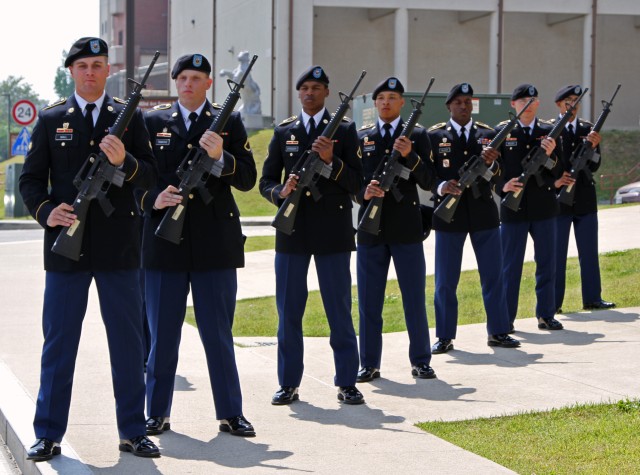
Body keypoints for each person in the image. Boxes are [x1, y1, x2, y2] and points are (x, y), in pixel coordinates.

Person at [19, 37, 159, 461]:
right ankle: (47, 433)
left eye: (99, 65)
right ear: (72, 72)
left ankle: (134, 431)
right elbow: (30, 181)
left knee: (128, 344)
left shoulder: (129, 119)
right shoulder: (51, 120)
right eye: (84, 66)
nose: (92, 72)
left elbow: (151, 178)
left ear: (107, 71)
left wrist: (125, 164)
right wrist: (47, 212)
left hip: (119, 250)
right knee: (59, 343)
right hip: (66, 251)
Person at [139, 54, 257, 437]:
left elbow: (248, 180)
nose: (188, 83)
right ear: (175, 83)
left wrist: (219, 155)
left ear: (209, 84)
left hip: (214, 244)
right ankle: (156, 412)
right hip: (163, 243)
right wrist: (154, 199)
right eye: (183, 77)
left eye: (197, 78)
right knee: (162, 337)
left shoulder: (229, 123)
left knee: (218, 335)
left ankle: (230, 412)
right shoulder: (152, 122)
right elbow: (138, 176)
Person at [259, 66, 365, 405]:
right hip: (292, 231)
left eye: (316, 87)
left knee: (338, 308)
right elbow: (265, 182)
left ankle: (347, 380)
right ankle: (288, 382)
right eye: (304, 87)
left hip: (332, 230)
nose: (309, 93)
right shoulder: (283, 131)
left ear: (327, 92)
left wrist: (331, 161)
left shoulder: (345, 132)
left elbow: (359, 186)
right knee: (289, 310)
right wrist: (280, 191)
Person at [354, 77, 437, 382]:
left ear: (402, 102)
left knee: (414, 298)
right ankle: (369, 363)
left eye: (392, 97)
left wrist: (410, 156)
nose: (386, 102)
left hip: (406, 228)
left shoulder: (417, 135)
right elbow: (352, 181)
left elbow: (429, 181)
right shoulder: (362, 136)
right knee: (369, 301)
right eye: (381, 98)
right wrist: (364, 192)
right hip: (370, 229)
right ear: (375, 104)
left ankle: (421, 360)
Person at [428, 83, 520, 353]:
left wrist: (491, 163)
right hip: (449, 215)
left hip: (483, 213)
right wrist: (442, 187)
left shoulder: (488, 135)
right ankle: (445, 335)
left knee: (493, 276)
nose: (464, 106)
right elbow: (426, 174)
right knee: (446, 280)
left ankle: (499, 331)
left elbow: (500, 177)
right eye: (458, 102)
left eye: (468, 102)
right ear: (449, 106)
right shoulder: (435, 136)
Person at [496, 84, 563, 332]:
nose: (528, 104)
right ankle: (506, 319)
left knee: (547, 263)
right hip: (513, 209)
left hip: (544, 207)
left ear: (538, 104)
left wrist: (552, 154)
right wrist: (502, 186)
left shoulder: (549, 132)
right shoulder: (502, 131)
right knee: (510, 267)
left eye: (533, 100)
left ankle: (546, 314)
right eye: (523, 100)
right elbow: (492, 169)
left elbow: (560, 169)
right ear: (513, 104)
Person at [551, 84, 616, 313]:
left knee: (589, 252)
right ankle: (554, 304)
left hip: (585, 198)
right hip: (559, 201)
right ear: (559, 104)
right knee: (556, 255)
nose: (573, 106)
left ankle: (592, 298)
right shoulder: (550, 129)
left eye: (576, 102)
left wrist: (595, 147)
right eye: (568, 101)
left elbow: (595, 165)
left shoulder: (588, 129)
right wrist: (556, 181)